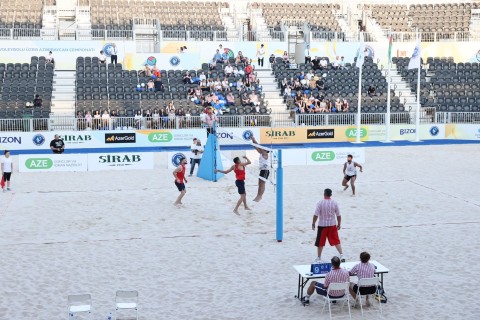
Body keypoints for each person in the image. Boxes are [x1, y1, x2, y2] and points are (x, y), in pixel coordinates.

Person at [312, 188, 344, 262]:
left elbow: (316, 214)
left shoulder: (320, 202)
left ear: (324, 194)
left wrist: (313, 223)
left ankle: (319, 257)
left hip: (322, 225)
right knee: (336, 240)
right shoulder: (334, 202)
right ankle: (342, 255)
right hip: (332, 224)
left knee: (320, 242)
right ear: (331, 195)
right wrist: (339, 224)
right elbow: (338, 215)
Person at [250, 135, 269, 202]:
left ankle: (260, 196)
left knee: (262, 183)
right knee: (259, 183)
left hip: (265, 170)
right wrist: (252, 141)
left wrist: (254, 138)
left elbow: (258, 146)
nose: (263, 148)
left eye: (264, 148)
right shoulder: (261, 153)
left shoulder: (265, 154)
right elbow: (256, 146)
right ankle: (258, 195)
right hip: (262, 170)